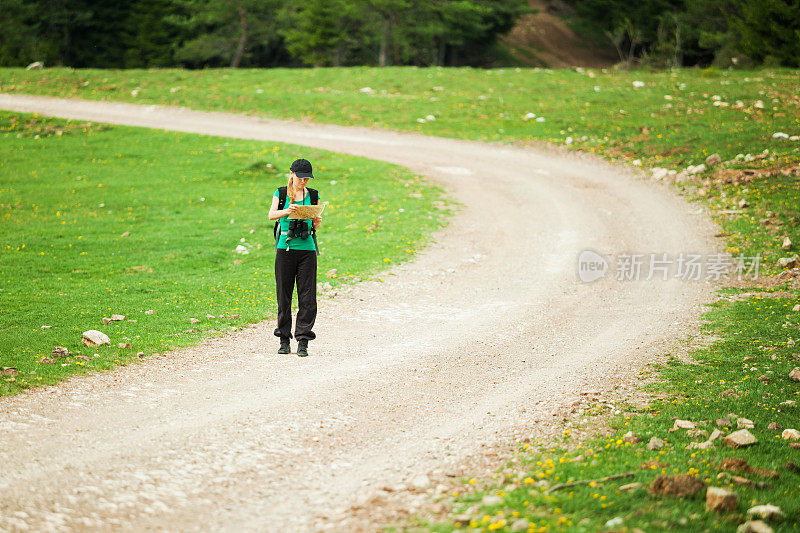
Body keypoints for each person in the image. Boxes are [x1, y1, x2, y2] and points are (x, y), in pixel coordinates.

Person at [268, 158, 323, 357]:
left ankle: (303, 341)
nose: (304, 182)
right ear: (291, 174)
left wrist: (316, 221)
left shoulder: (314, 195)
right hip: (286, 249)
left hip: (307, 249)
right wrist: (287, 211)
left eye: (307, 178)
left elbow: (315, 226)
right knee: (284, 295)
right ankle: (284, 339)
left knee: (307, 296)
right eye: (301, 178)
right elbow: (271, 215)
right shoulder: (281, 193)